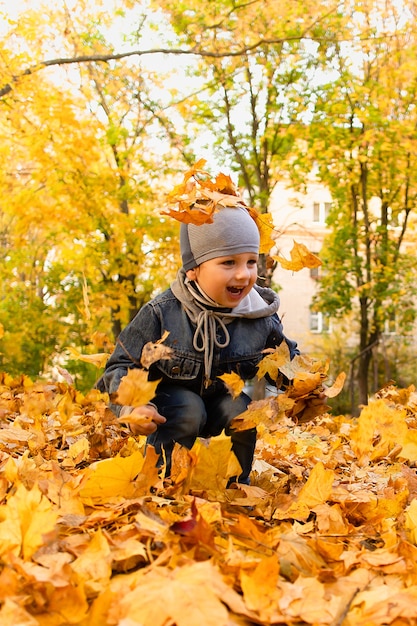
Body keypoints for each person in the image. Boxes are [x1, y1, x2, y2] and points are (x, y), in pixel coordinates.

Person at [96, 205, 299, 484]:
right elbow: (121, 364)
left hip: (220, 399)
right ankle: (163, 480)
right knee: (190, 408)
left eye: (251, 262)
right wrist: (133, 408)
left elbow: (284, 362)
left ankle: (234, 485)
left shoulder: (259, 317)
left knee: (241, 411)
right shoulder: (162, 312)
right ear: (193, 270)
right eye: (229, 263)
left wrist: (305, 389)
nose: (243, 274)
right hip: (170, 404)